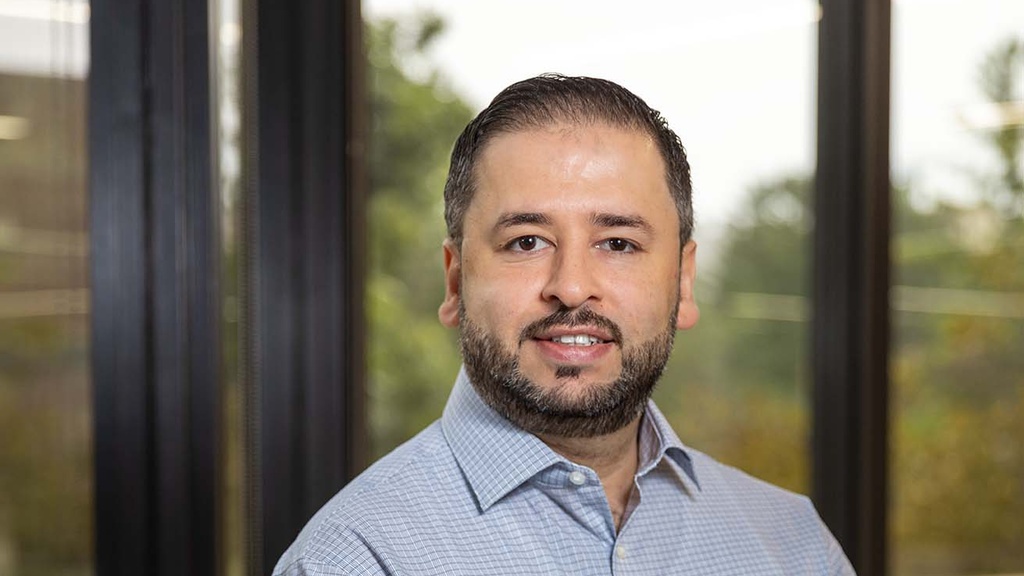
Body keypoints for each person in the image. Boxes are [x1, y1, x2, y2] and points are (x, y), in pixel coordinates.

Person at [274, 74, 855, 575]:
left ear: (682, 281)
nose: (572, 286)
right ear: (455, 283)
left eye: (619, 243)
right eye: (526, 242)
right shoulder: (354, 559)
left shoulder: (797, 548)